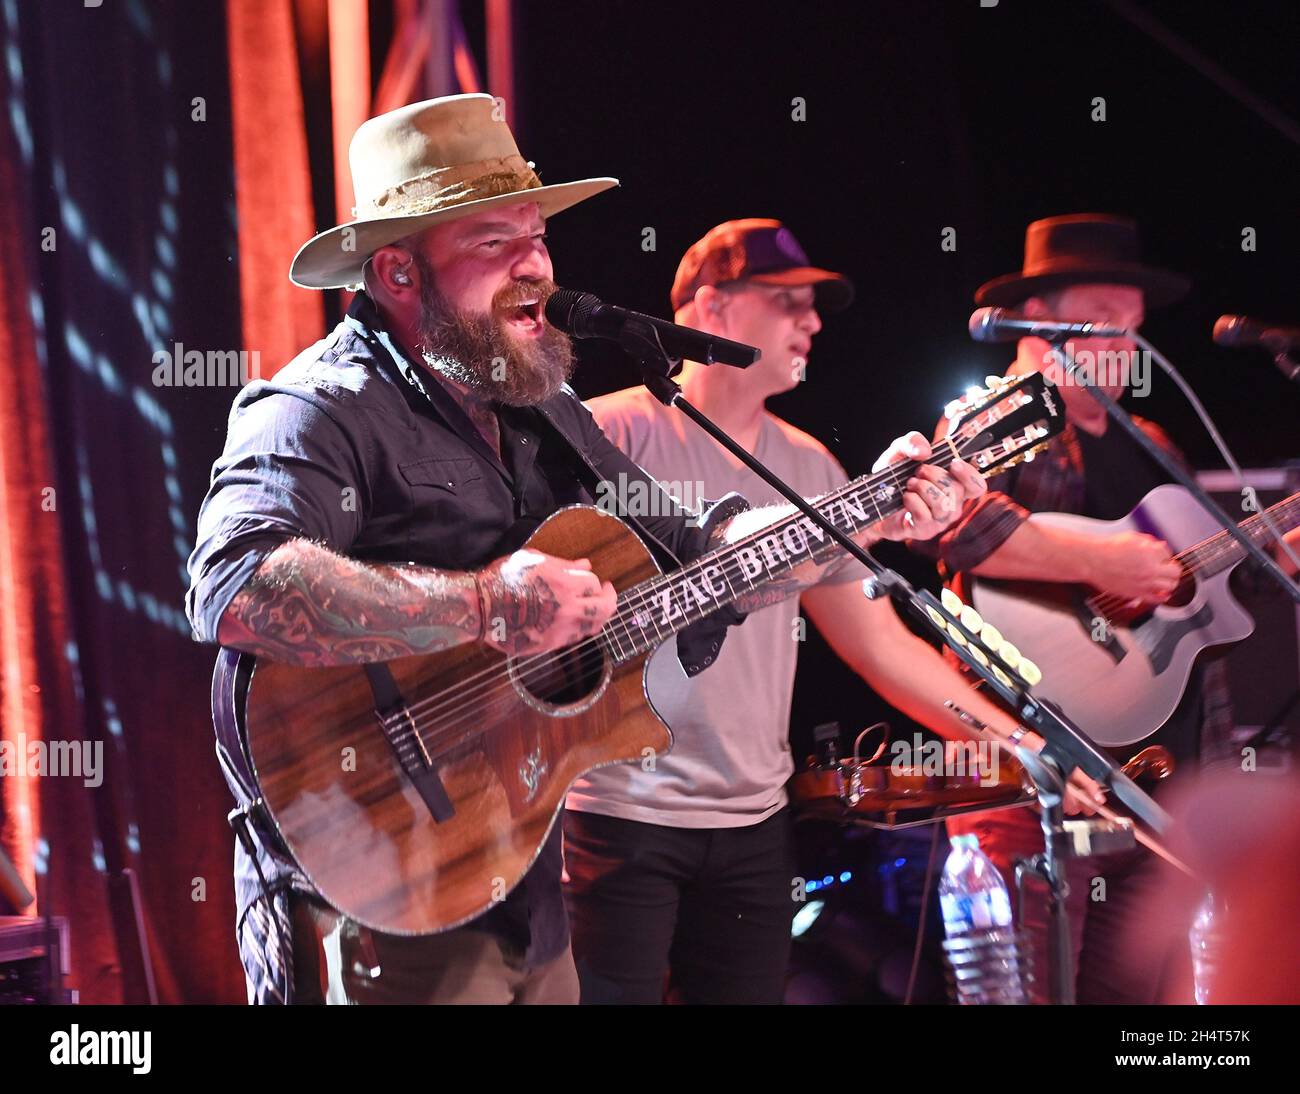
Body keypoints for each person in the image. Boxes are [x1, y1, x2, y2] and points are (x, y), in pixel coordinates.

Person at [185, 97, 981, 1004]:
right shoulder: (318, 408)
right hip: (373, 891)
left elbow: (698, 548)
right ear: (399, 271)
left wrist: (862, 518)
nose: (533, 263)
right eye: (493, 242)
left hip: (525, 885)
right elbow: (237, 586)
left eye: (538, 236)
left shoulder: (542, 408)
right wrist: (485, 605)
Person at [563, 219, 1096, 1004]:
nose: (812, 323)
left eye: (815, 307)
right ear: (710, 309)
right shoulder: (607, 432)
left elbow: (877, 643)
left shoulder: (810, 464)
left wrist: (1020, 742)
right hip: (615, 811)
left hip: (751, 822)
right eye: (788, 302)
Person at [915, 213, 1237, 1003]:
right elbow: (954, 526)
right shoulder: (991, 420)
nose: (1129, 345)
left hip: (1159, 791)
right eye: (1106, 324)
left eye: (1135, 328)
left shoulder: (1155, 443)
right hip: (1036, 785)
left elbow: (1206, 585)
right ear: (1040, 327)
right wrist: (1106, 561)